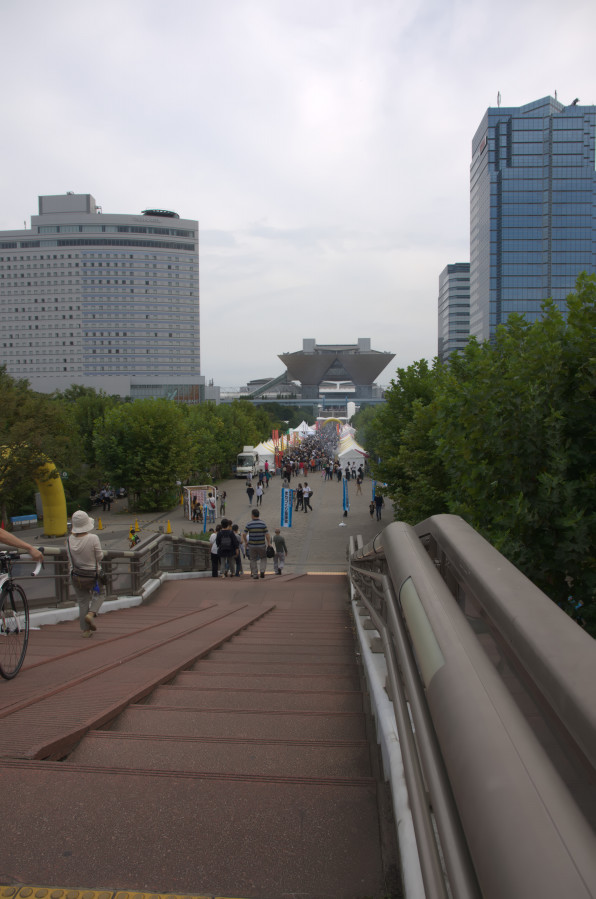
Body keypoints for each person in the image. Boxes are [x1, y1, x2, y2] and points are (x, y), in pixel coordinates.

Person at [65, 510, 104, 638]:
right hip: (93, 575)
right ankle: (91, 614)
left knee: (82, 601)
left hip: (76, 575)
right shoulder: (93, 538)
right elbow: (99, 557)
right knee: (101, 594)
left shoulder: (69, 540)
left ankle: (86, 631)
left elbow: (70, 559)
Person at [242, 509, 272, 580]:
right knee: (263, 558)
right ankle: (262, 571)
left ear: (252, 515)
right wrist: (269, 543)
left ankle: (255, 574)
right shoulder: (263, 524)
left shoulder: (249, 524)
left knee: (253, 559)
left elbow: (244, 534)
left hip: (252, 545)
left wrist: (246, 541)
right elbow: (267, 534)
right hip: (261, 544)